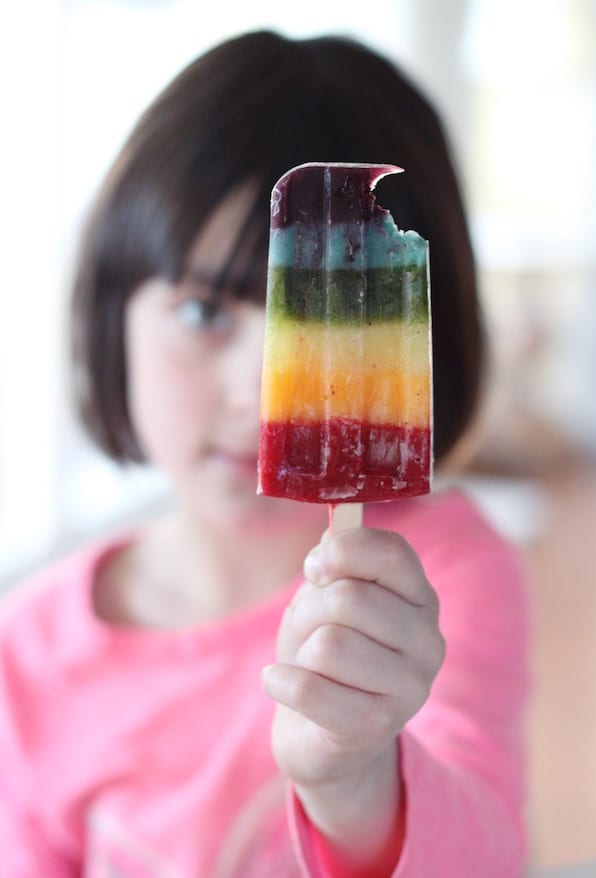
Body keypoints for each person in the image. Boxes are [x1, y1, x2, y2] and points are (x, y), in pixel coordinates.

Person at [0, 30, 529, 877]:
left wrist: (356, 776)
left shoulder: (440, 577)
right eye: (206, 312)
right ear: (110, 316)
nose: (258, 392)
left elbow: (489, 858)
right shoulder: (23, 659)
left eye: (317, 322)